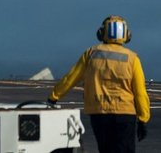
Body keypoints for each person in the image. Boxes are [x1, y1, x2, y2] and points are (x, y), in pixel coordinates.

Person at [48, 15, 150, 153]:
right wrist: (143, 119)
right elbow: (140, 92)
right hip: (125, 114)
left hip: (99, 113)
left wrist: (54, 97)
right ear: (126, 34)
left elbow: (71, 78)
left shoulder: (91, 54)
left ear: (102, 33)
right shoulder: (132, 59)